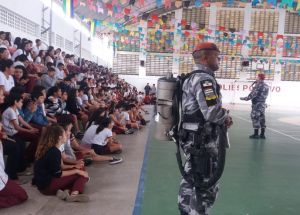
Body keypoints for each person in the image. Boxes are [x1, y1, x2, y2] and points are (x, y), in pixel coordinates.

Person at [178, 42, 233, 215]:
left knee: (191, 178)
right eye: (217, 56)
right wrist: (226, 117)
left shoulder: (190, 78)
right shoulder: (204, 79)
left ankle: (185, 210)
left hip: (191, 138)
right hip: (203, 142)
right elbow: (211, 112)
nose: (219, 60)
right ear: (205, 57)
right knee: (205, 186)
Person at [32, 125, 90, 202]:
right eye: (65, 134)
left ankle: (64, 191)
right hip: (47, 187)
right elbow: (58, 173)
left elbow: (60, 166)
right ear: (60, 137)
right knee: (82, 175)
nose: (67, 135)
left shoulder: (49, 148)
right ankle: (74, 194)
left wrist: (75, 166)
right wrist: (77, 171)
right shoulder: (54, 151)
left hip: (43, 184)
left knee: (80, 169)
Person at [240, 73, 269, 139]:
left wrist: (245, 98)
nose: (256, 78)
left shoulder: (258, 85)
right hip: (262, 104)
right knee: (262, 119)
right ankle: (262, 134)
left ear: (259, 78)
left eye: (257, 77)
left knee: (255, 118)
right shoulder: (266, 86)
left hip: (257, 105)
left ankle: (256, 134)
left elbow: (253, 94)